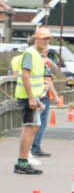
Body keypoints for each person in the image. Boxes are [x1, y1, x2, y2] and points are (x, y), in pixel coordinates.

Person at [11, 27, 53, 175]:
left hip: (32, 97)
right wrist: (30, 97)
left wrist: (36, 98)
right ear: (37, 39)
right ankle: (22, 162)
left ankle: (23, 160)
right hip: (26, 96)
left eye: (48, 39)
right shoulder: (30, 54)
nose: (46, 42)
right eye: (44, 39)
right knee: (29, 128)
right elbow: (25, 76)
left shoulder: (37, 55)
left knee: (33, 127)